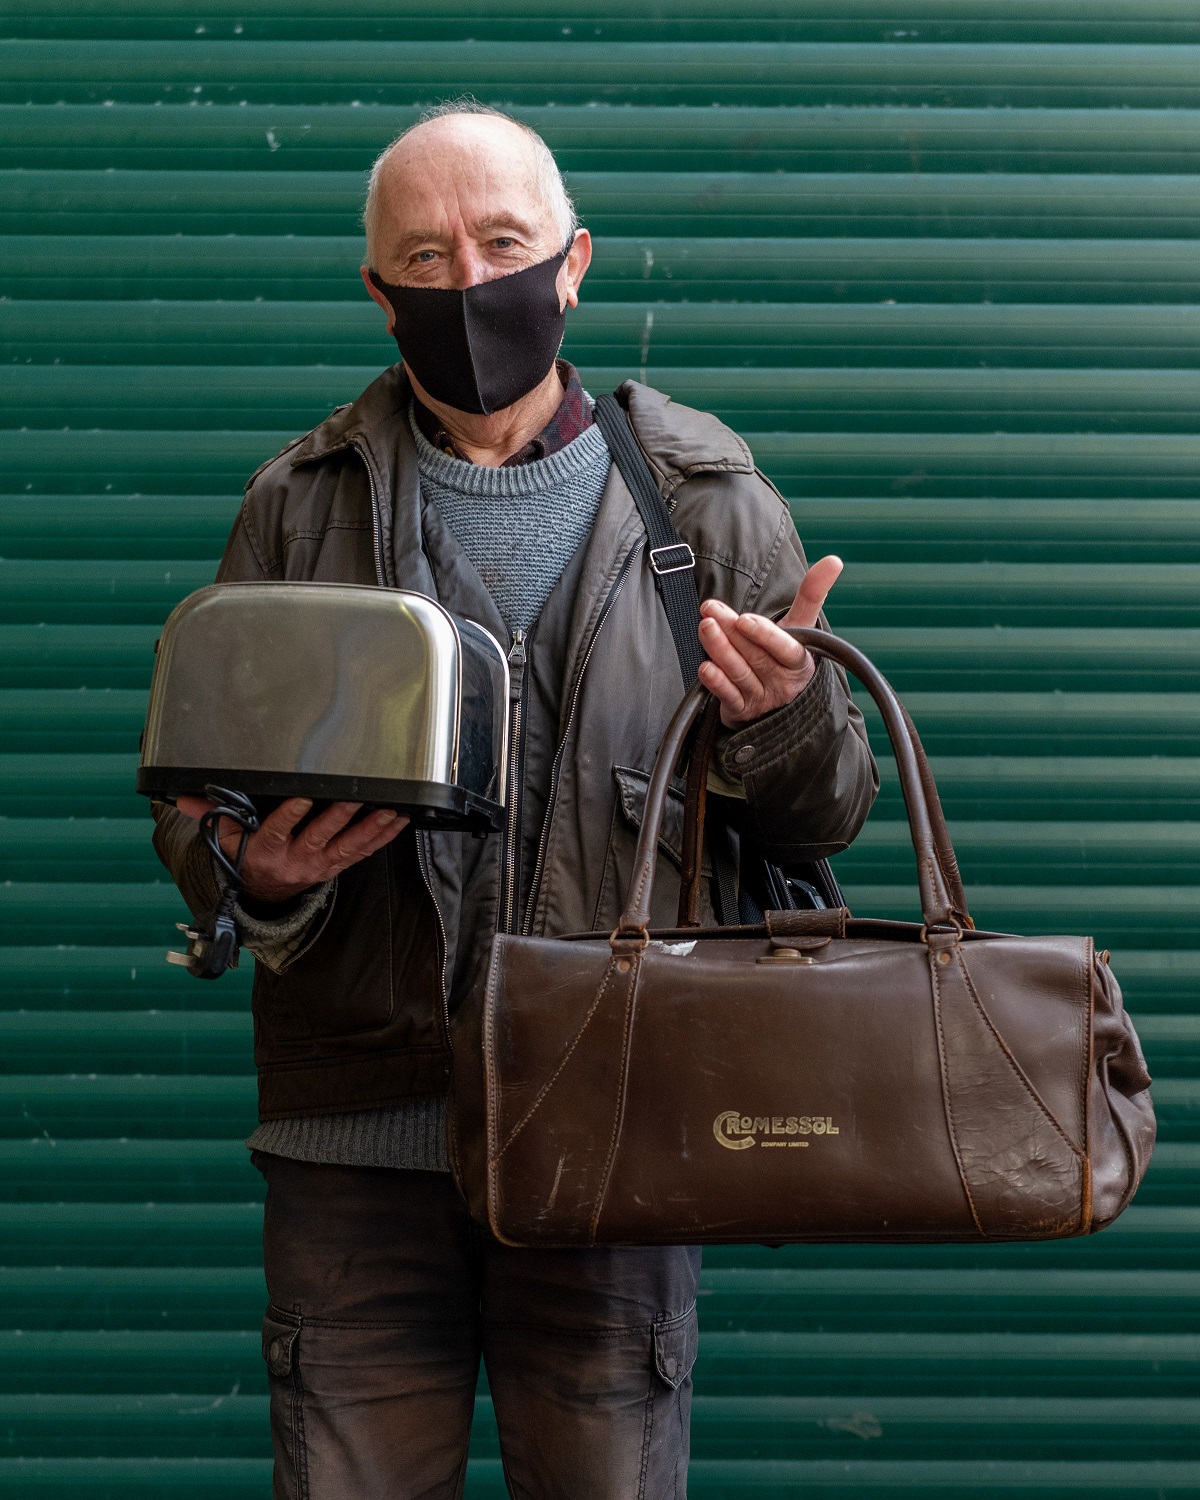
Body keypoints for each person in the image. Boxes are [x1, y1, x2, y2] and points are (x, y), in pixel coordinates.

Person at [151, 100, 878, 1500]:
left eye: (502, 243)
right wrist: (257, 877)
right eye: (423, 259)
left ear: (575, 262)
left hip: (618, 1134)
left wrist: (788, 720)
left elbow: (825, 820)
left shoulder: (701, 502)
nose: (468, 284)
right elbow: (196, 806)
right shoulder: (294, 508)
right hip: (351, 1151)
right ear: (377, 291)